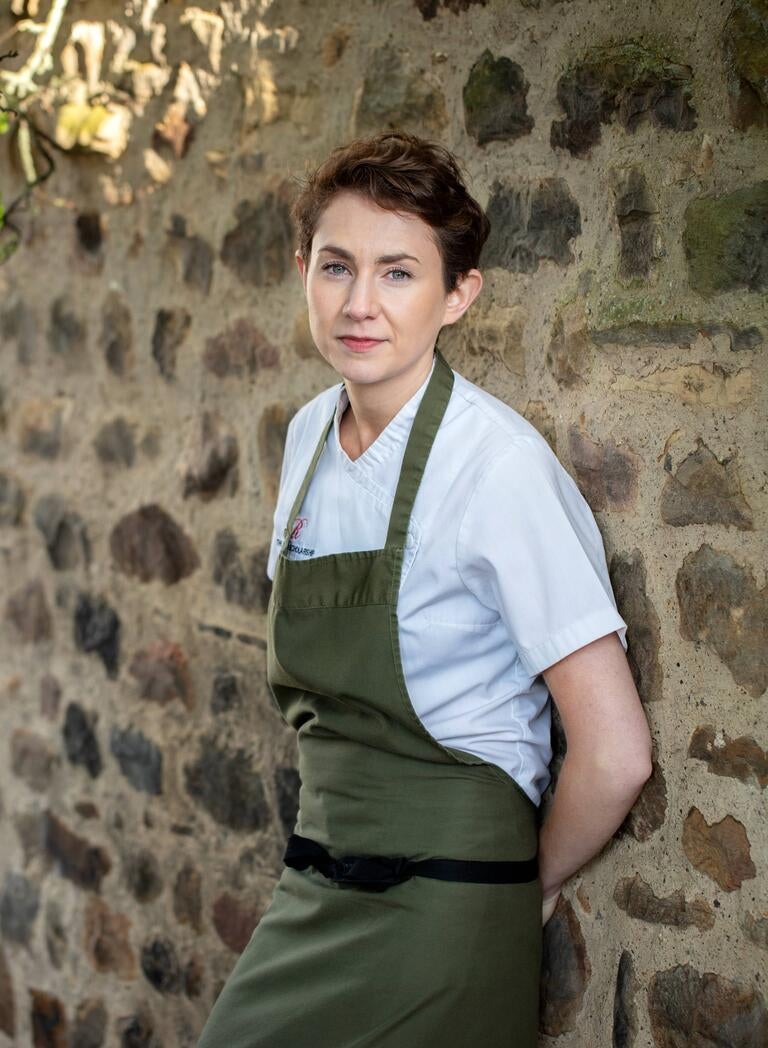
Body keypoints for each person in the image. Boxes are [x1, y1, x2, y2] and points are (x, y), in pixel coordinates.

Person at [197, 131, 652, 1048]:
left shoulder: (497, 467)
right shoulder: (307, 439)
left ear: (458, 295)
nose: (360, 304)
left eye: (399, 273)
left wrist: (523, 882)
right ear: (303, 272)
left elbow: (615, 752)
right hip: (314, 879)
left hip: (446, 903)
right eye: (337, 267)